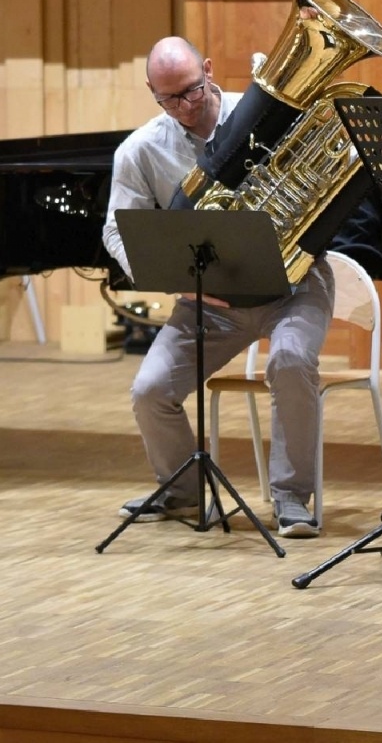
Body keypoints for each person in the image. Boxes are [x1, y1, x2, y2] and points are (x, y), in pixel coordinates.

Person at [101, 37, 334, 538]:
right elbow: (117, 230)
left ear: (208, 70)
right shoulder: (140, 150)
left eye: (191, 90)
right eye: (168, 99)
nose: (184, 106)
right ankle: (182, 492)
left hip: (292, 286)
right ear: (152, 92)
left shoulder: (265, 115)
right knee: (150, 390)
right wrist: (171, 279)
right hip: (210, 301)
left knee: (290, 361)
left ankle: (292, 499)